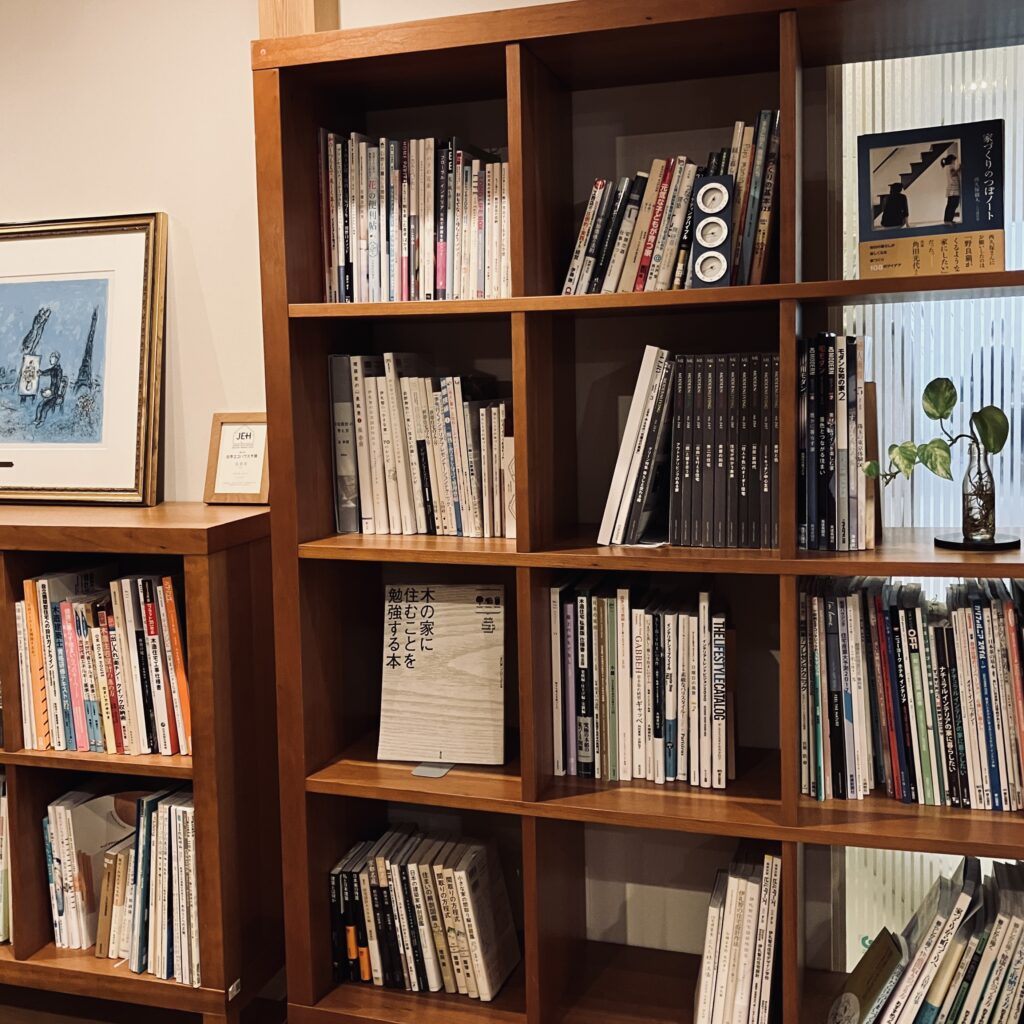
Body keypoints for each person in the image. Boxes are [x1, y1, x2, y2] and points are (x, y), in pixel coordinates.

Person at [941, 153, 961, 225]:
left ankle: (947, 220)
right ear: (951, 160)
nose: (954, 162)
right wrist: (960, 168)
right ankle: (949, 220)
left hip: (951, 189)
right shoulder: (951, 166)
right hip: (953, 190)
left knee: (950, 205)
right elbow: (953, 174)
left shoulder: (947, 167)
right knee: (953, 205)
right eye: (954, 160)